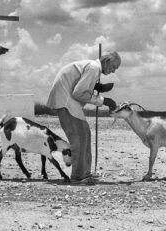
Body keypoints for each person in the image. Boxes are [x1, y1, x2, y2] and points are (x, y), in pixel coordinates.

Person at [46, 52, 120, 185]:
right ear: (107, 61)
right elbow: (78, 93)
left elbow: (80, 85)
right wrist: (104, 100)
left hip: (66, 99)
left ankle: (84, 173)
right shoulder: (93, 68)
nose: (113, 70)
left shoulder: (92, 68)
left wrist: (96, 87)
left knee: (84, 133)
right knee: (79, 137)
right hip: (66, 100)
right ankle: (79, 176)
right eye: (113, 66)